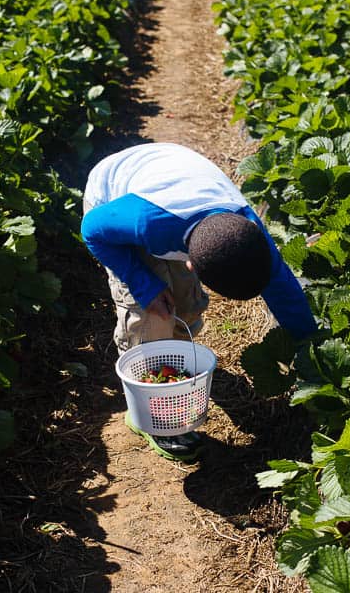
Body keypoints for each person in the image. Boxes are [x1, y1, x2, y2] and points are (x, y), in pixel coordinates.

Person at [81, 142, 318, 461]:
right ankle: (150, 416)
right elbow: (92, 231)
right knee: (153, 317)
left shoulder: (248, 234)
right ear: (191, 264)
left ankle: (174, 361)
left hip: (173, 184)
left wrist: (311, 349)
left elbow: (283, 290)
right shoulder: (145, 223)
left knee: (185, 305)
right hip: (112, 205)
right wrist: (145, 286)